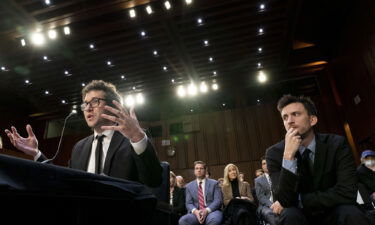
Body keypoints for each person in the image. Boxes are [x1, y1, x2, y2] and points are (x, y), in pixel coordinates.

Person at [4, 80, 162, 187]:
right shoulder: (79, 147)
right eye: (85, 104)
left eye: (95, 102)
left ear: (112, 106)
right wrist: (37, 153)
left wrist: (137, 137)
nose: (88, 108)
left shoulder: (133, 138)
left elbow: (153, 180)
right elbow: (65, 181)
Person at [265, 94, 374, 225]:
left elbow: (347, 192)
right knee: (289, 215)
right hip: (300, 215)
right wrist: (288, 156)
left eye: (296, 114)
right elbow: (283, 199)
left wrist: (300, 200)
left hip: (334, 209)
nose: (289, 121)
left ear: (312, 120)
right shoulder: (274, 153)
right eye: (285, 117)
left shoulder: (337, 144)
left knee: (351, 212)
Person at [179, 161, 223, 225]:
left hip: (212, 211)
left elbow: (218, 201)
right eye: (196, 168)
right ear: (194, 171)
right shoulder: (189, 186)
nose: (199, 170)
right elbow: (189, 203)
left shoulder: (214, 183)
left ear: (205, 170)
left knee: (214, 221)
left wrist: (206, 210)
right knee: (183, 221)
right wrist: (196, 211)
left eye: (201, 168)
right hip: (196, 213)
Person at [254, 156, 277, 225]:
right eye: (264, 164)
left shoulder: (277, 176)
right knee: (269, 213)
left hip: (279, 203)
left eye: (267, 163)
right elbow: (261, 197)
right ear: (262, 166)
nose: (266, 165)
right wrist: (272, 205)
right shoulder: (258, 180)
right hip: (266, 206)